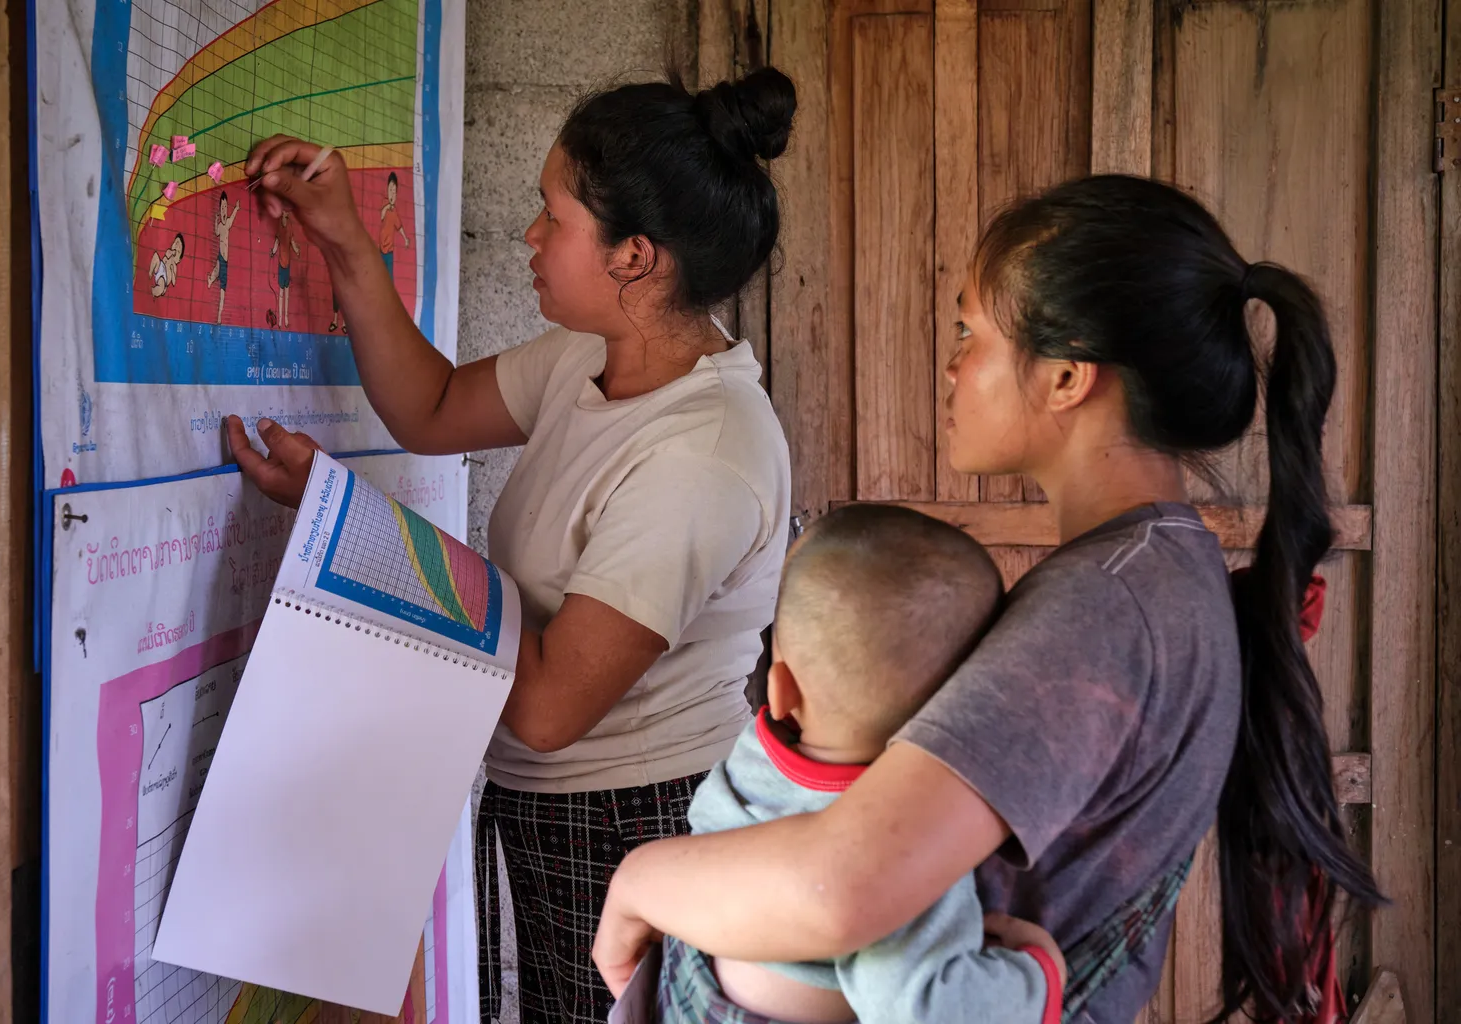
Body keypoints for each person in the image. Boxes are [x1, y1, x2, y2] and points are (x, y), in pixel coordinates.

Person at [592, 175, 1385, 1024]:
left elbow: (844, 891)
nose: (952, 364)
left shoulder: (1106, 609)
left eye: (971, 332)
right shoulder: (1151, 572)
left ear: (1069, 377)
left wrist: (639, 884)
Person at [227, 66, 798, 1024]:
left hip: (636, 821)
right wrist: (346, 243)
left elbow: (544, 710)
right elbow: (432, 405)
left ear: (635, 259)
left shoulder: (703, 452)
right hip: (563, 810)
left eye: (554, 217)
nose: (527, 237)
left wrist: (361, 527)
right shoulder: (593, 356)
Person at [659, 503, 1064, 1024]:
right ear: (962, 708)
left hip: (689, 991)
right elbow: (918, 1005)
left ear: (781, 691)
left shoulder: (753, 761)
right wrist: (1037, 973)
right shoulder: (908, 840)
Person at [206, 191, 241, 324]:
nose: (224, 210)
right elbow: (216, 232)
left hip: (226, 260)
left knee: (222, 290)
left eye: (225, 207)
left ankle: (220, 315)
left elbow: (232, 217)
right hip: (221, 256)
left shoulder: (227, 224)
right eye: (222, 208)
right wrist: (215, 221)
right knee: (217, 269)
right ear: (220, 211)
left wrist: (236, 208)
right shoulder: (221, 226)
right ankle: (211, 279)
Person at [270, 210, 300, 329]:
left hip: (287, 264)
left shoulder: (290, 226)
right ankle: (281, 320)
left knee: (286, 293)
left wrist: (297, 250)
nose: (285, 213)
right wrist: (273, 251)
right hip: (281, 264)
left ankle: (286, 318)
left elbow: (292, 241)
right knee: (281, 293)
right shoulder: (279, 226)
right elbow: (277, 241)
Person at [379, 171, 409, 279]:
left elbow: (399, 226)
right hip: (382, 249)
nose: (392, 193)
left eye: (394, 191)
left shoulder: (395, 211)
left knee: (389, 277)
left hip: (390, 251)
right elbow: (382, 215)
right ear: (387, 190)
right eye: (390, 190)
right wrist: (388, 206)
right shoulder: (384, 203)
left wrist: (405, 238)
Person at [148, 232, 183, 298]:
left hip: (164, 277)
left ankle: (153, 291)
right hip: (160, 266)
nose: (176, 248)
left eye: (178, 251)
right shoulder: (169, 252)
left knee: (161, 286)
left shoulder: (174, 266)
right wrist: (171, 252)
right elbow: (166, 255)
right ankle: (150, 272)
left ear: (179, 260)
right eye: (175, 243)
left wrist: (172, 271)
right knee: (155, 256)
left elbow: (173, 282)